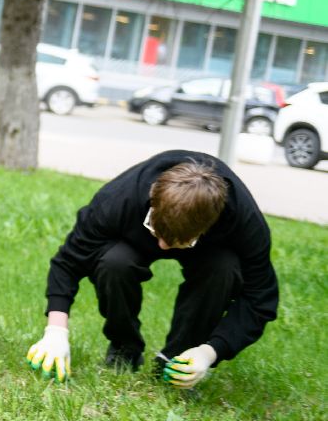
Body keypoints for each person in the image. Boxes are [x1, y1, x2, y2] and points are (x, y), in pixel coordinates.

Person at [26, 151, 279, 387]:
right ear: (151, 200)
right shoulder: (119, 198)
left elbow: (260, 301)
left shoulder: (246, 225)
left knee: (224, 268)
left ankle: (178, 360)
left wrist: (210, 351)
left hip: (211, 253)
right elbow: (68, 261)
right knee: (115, 262)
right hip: (128, 243)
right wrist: (56, 331)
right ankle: (125, 350)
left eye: (177, 242)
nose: (162, 246)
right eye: (155, 231)